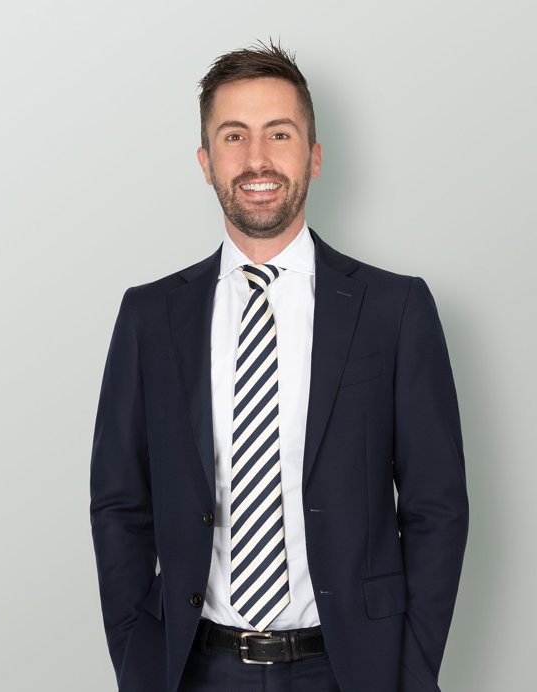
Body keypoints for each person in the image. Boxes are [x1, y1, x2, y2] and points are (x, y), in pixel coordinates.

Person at [89, 40, 469, 692]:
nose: (257, 159)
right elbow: (119, 502)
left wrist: (410, 671)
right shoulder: (150, 317)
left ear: (314, 156)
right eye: (234, 136)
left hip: (352, 671)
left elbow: (437, 507)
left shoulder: (395, 310)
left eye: (279, 134)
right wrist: (136, 658)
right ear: (206, 161)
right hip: (195, 670)